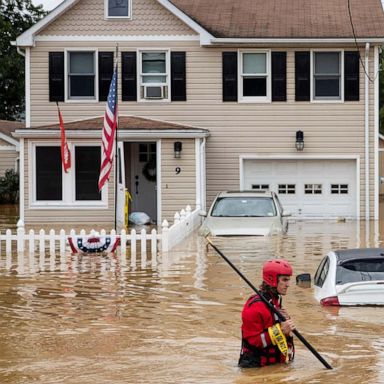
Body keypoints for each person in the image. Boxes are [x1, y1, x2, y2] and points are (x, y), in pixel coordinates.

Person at [238, 259, 296, 368]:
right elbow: (253, 341)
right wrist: (281, 330)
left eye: (288, 280)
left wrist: (287, 329)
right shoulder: (254, 307)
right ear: (272, 280)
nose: (288, 284)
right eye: (284, 280)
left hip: (274, 366)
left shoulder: (275, 302)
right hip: (255, 368)